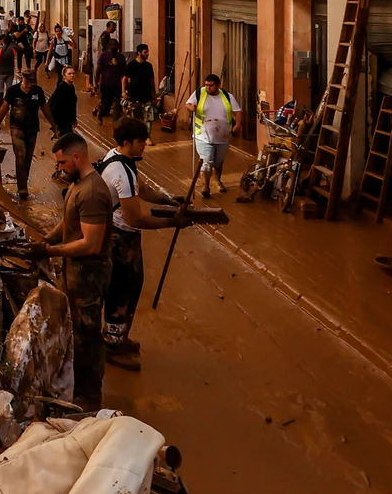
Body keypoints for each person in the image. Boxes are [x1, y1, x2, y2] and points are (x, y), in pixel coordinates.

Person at [95, 118, 195, 370]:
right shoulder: (120, 172)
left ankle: (120, 336)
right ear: (127, 142)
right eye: (141, 141)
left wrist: (168, 199)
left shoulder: (121, 160)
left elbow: (141, 189)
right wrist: (173, 222)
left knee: (134, 284)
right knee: (122, 289)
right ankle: (112, 343)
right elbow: (136, 218)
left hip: (124, 234)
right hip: (120, 238)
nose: (145, 145)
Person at [31, 133, 114, 409]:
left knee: (87, 336)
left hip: (89, 275)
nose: (60, 168)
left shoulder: (92, 192)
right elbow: (68, 225)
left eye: (63, 162)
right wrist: (45, 241)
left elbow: (91, 244)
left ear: (77, 157)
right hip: (75, 273)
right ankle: (77, 387)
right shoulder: (79, 185)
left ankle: (90, 396)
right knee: (75, 332)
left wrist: (50, 252)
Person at [180, 73, 239, 193]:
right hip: (203, 135)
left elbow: (238, 111)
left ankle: (217, 180)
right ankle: (205, 186)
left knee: (218, 162)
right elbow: (188, 104)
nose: (208, 88)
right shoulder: (199, 93)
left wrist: (238, 124)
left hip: (222, 136)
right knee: (207, 161)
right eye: (206, 85)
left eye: (211, 85)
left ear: (218, 85)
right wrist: (191, 108)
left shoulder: (227, 96)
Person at [0, 75, 49, 197]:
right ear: (22, 79)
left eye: (33, 82)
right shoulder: (13, 90)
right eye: (28, 82)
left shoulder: (38, 91)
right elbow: (4, 107)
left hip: (32, 129)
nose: (31, 85)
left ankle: (23, 183)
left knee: (27, 159)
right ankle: (22, 188)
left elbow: (45, 108)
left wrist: (54, 125)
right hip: (17, 128)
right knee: (20, 156)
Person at [93, 41, 127, 122]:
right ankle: (100, 112)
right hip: (105, 84)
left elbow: (124, 73)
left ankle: (116, 123)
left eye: (116, 46)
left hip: (117, 84)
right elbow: (98, 70)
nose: (115, 47)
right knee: (105, 104)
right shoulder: (103, 56)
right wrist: (96, 83)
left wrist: (124, 86)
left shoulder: (121, 57)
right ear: (109, 46)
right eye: (113, 45)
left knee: (117, 104)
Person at [124, 44, 157, 124]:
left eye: (148, 52)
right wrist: (123, 92)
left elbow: (152, 80)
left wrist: (154, 94)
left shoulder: (148, 66)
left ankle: (147, 136)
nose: (147, 54)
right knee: (133, 120)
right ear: (139, 53)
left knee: (148, 120)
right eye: (145, 52)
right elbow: (124, 79)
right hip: (134, 97)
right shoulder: (131, 65)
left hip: (147, 97)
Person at [49, 66, 80, 140]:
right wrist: (56, 124)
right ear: (64, 76)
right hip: (62, 122)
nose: (72, 75)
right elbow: (54, 106)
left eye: (73, 73)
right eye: (69, 74)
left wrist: (74, 119)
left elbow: (72, 105)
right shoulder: (62, 87)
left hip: (68, 121)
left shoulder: (71, 86)